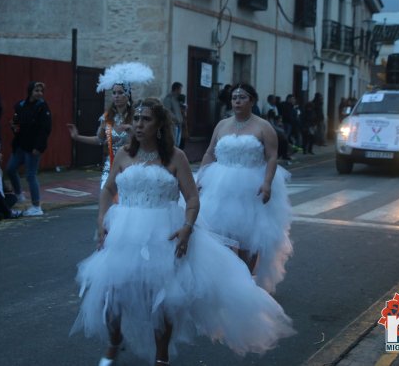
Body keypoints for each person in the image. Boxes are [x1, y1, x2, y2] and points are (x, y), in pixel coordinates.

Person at [71, 98, 294, 366]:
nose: (139, 124)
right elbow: (108, 189)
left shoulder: (176, 157)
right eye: (137, 119)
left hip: (164, 232)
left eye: (146, 119)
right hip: (124, 232)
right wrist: (101, 221)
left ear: (159, 125)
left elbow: (191, 199)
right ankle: (113, 343)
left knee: (162, 297)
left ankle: (161, 356)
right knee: (113, 292)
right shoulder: (123, 154)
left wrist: (187, 229)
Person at [197, 83, 293, 294]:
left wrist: (267, 183)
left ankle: (246, 281)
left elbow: (271, 156)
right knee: (219, 235)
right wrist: (201, 177)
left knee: (249, 237)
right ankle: (227, 278)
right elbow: (210, 153)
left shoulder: (263, 126)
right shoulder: (222, 125)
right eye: (234, 98)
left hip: (251, 186)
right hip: (221, 185)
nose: (237, 101)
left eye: (242, 97)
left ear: (252, 101)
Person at [67, 62, 154, 189]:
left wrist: (132, 133)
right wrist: (77, 137)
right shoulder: (107, 118)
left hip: (131, 163)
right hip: (111, 164)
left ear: (127, 95)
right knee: (105, 195)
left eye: (120, 93)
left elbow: (146, 141)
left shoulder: (136, 116)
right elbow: (99, 140)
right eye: (114, 93)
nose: (116, 96)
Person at [6, 81, 52, 217]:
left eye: (41, 91)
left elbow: (45, 129)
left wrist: (39, 147)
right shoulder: (20, 105)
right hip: (20, 145)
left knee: (30, 175)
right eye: (36, 90)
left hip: (33, 147)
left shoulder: (42, 107)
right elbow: (15, 120)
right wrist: (14, 126)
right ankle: (19, 194)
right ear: (30, 91)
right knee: (10, 168)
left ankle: (36, 206)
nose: (39, 93)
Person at [161, 82, 184, 147]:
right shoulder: (168, 98)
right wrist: (176, 119)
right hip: (173, 124)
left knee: (177, 143)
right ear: (176, 89)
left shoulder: (176, 98)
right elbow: (167, 111)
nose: (180, 91)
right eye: (180, 89)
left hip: (178, 124)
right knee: (172, 143)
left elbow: (177, 111)